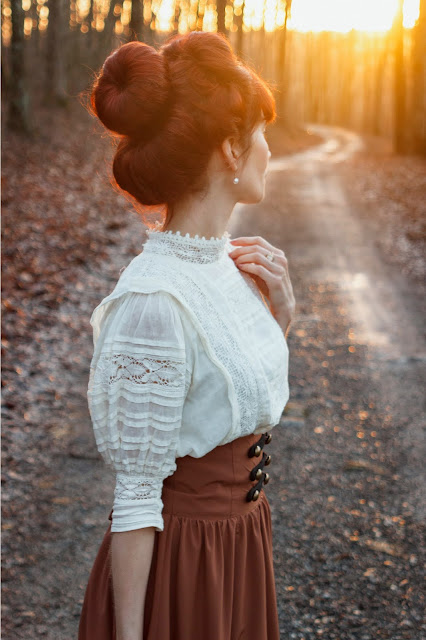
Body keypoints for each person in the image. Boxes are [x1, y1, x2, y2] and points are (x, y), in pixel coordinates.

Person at [78, 29, 295, 640]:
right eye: (260, 133)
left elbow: (230, 400)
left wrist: (282, 314)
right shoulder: (154, 302)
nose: (268, 151)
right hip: (185, 567)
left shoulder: (225, 264)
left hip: (241, 547)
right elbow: (139, 498)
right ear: (230, 148)